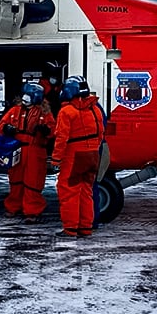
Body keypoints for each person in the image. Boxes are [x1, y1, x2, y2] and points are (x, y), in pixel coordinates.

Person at [50, 75, 104, 238]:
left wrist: (56, 159)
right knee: (86, 191)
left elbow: (61, 138)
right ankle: (85, 227)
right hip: (93, 154)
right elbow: (101, 132)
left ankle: (70, 229)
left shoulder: (66, 111)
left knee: (69, 192)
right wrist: (93, 147)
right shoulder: (95, 109)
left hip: (74, 155)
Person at [0, 82, 55, 223]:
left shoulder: (44, 112)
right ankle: (13, 207)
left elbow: (53, 130)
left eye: (28, 95)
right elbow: (1, 124)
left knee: (33, 182)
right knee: (15, 180)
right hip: (17, 149)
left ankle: (32, 211)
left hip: (35, 151)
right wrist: (6, 129)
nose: (24, 98)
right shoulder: (15, 110)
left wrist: (45, 131)